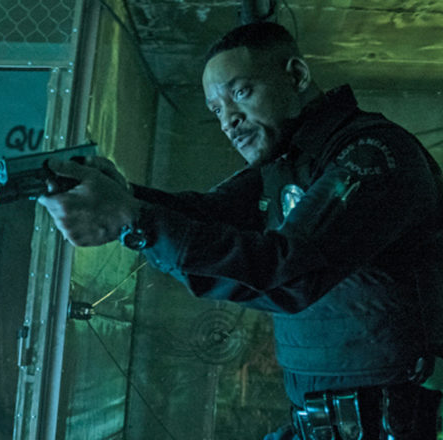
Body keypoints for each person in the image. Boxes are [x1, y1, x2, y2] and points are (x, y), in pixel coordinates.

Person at [38, 22, 443, 439]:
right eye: (216, 109)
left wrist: (133, 217)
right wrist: (122, 193)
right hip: (323, 424)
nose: (229, 120)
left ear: (297, 76)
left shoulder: (370, 156)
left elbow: (286, 272)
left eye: (241, 93)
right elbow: (208, 214)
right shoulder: (286, 162)